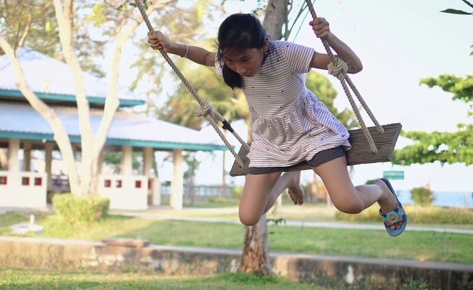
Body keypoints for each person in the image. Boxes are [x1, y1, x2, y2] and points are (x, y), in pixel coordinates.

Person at [148, 13, 407, 236]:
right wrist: (171, 46)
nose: (239, 69)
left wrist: (329, 38)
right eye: (231, 61)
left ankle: (382, 190)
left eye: (245, 59)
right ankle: (289, 178)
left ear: (264, 45)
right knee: (249, 216)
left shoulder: (286, 54)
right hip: (270, 141)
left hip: (311, 132)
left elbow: (354, 67)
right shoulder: (230, 64)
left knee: (348, 203)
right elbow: (204, 56)